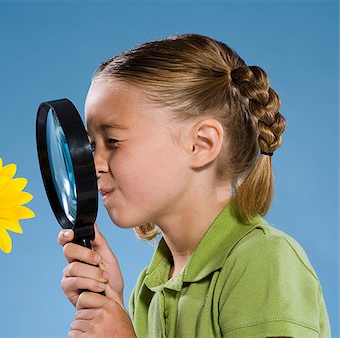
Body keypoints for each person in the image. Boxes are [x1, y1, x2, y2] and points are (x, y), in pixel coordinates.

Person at [57, 34, 331, 337]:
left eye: (113, 141)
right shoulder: (147, 291)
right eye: (92, 145)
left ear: (201, 144)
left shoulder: (263, 260)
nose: (94, 163)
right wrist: (113, 306)